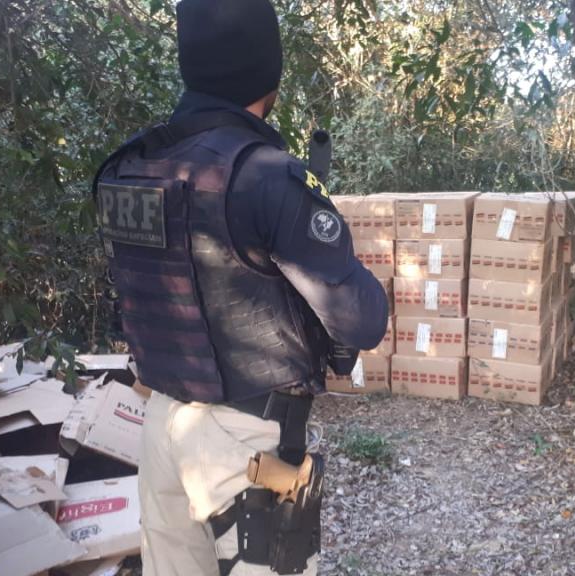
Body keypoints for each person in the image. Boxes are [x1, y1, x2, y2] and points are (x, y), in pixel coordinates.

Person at [91, 0, 389, 574]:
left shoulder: (127, 167)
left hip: (161, 424)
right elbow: (361, 321)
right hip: (243, 444)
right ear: (268, 71)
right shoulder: (266, 176)